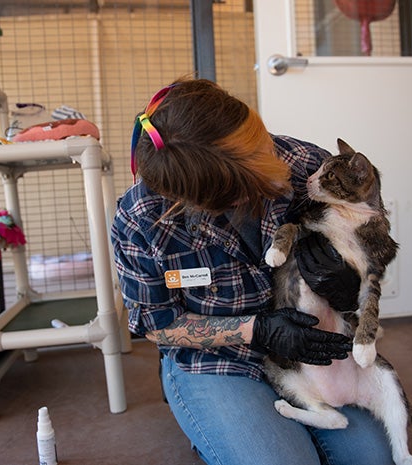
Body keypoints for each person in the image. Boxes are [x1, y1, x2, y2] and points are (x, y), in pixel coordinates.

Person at [111, 78, 394, 465]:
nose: (276, 179)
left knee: (373, 460)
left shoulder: (304, 163)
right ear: (194, 200)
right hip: (219, 359)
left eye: (263, 159)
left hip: (312, 349)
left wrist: (347, 286)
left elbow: (371, 241)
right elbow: (157, 322)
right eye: (242, 190)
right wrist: (257, 330)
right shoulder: (142, 218)